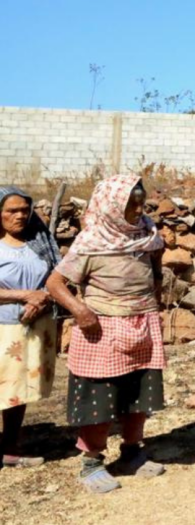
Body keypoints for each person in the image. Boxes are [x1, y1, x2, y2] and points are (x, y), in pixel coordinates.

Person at [45, 175, 167, 494]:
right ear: (113, 205)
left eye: (141, 202)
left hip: (143, 322)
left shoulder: (147, 233)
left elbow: (156, 264)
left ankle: (132, 452)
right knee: (99, 397)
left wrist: (154, 288)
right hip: (102, 327)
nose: (139, 209)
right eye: (131, 203)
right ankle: (91, 462)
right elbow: (55, 284)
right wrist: (80, 310)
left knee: (139, 392)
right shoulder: (91, 242)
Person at [0, 186, 60, 470]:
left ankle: (10, 449)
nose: (20, 216)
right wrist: (24, 295)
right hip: (3, 327)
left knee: (16, 390)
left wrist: (42, 299)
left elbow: (55, 277)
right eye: (11, 210)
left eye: (24, 210)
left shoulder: (39, 241)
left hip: (34, 326)